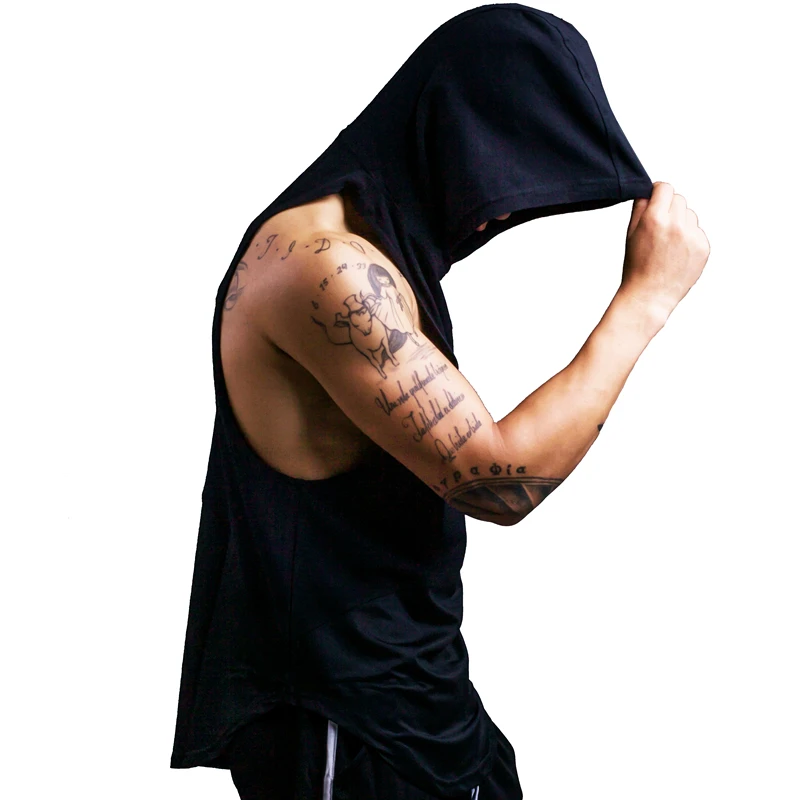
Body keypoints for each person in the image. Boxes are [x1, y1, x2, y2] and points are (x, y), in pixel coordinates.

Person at [169, 4, 710, 799]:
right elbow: (494, 481)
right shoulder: (326, 268)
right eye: (501, 180)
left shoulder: (371, 247)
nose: (497, 216)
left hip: (419, 701)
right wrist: (647, 298)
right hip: (345, 726)